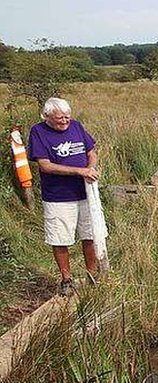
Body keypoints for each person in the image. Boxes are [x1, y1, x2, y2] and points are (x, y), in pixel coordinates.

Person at [27, 97, 100, 297]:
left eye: (67, 117)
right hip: (58, 196)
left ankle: (92, 276)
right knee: (60, 239)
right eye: (60, 119)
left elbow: (91, 151)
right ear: (47, 117)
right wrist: (79, 171)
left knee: (90, 235)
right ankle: (66, 279)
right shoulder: (38, 132)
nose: (65, 122)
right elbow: (45, 165)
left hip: (85, 193)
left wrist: (90, 167)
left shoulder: (76, 126)